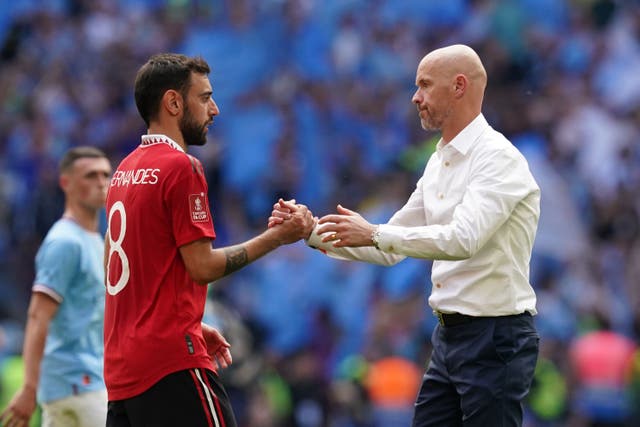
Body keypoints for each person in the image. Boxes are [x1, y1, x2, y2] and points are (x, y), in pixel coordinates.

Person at [271, 44, 541, 426]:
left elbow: (462, 240)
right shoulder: (438, 160)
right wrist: (311, 230)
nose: (415, 97)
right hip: (449, 337)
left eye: (425, 85)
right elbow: (388, 247)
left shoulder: (498, 159)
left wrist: (376, 233)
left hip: (495, 338)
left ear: (459, 86)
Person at [103, 53, 314, 427]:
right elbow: (203, 267)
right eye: (204, 98)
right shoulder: (181, 167)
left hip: (123, 372)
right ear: (173, 102)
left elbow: (126, 273)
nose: (214, 110)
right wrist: (278, 237)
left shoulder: (125, 170)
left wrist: (189, 322)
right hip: (171, 363)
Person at [0, 146, 112, 427]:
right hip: (79, 382)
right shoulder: (65, 242)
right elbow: (38, 315)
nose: (100, 182)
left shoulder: (95, 240)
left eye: (105, 175)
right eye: (90, 175)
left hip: (82, 381)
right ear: (66, 183)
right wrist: (28, 387)